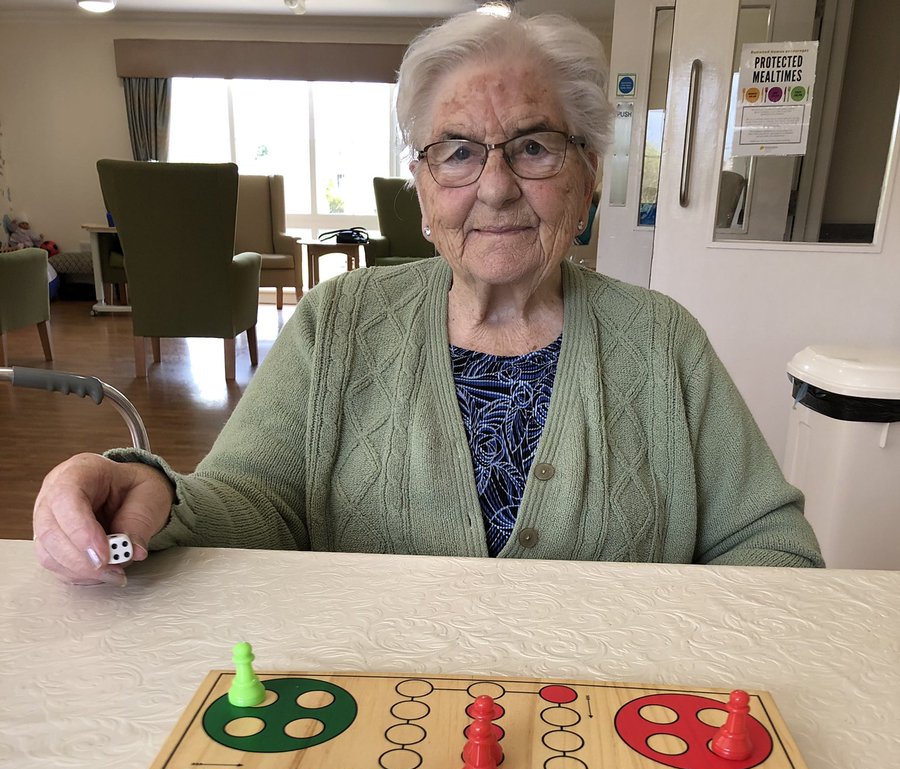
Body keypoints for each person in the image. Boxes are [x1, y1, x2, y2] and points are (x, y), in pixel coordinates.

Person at [33, 9, 823, 585]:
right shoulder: (338, 322)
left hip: (606, 735)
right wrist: (158, 496)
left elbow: (772, 546)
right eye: (457, 153)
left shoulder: (660, 339)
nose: (497, 187)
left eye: (535, 147)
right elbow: (256, 499)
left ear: (586, 175)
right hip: (379, 731)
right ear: (421, 186)